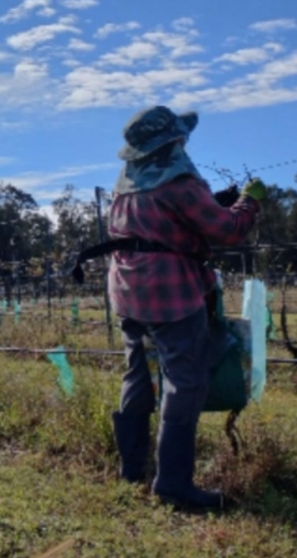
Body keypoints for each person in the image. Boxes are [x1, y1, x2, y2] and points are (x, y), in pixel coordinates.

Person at [106, 106, 264, 510]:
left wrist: (216, 201)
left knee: (138, 374)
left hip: (127, 291)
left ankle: (131, 470)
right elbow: (227, 230)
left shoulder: (125, 185)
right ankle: (173, 485)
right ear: (173, 142)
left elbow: (166, 220)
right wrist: (248, 202)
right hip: (171, 294)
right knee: (185, 380)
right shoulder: (181, 182)